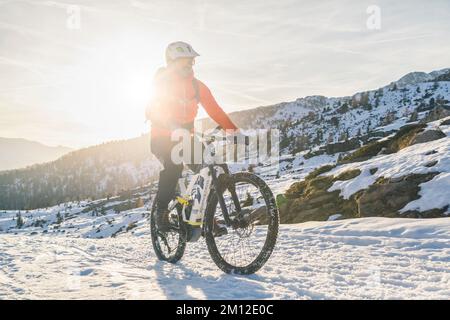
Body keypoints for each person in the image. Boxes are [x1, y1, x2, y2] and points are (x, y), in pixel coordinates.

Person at [146, 41, 238, 232]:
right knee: (174, 166)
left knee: (216, 169)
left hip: (186, 138)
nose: (189, 65)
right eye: (184, 61)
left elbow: (215, 110)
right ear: (171, 62)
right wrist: (169, 124)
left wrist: (234, 131)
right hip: (162, 137)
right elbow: (152, 110)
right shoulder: (162, 82)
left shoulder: (197, 86)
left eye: (191, 61)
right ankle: (161, 213)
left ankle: (206, 215)